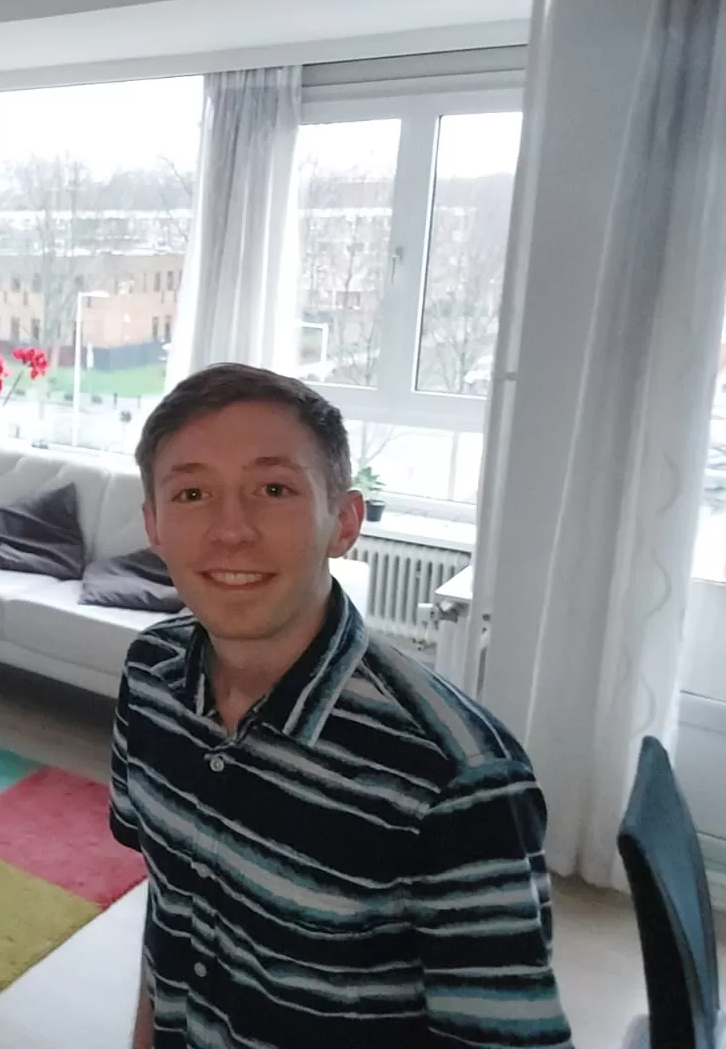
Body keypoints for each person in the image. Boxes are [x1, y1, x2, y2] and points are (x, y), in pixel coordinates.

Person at [111, 363, 570, 1048]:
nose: (231, 531)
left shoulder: (459, 778)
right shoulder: (150, 676)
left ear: (344, 522)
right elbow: (171, 904)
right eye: (193, 493)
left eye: (274, 489)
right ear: (154, 523)